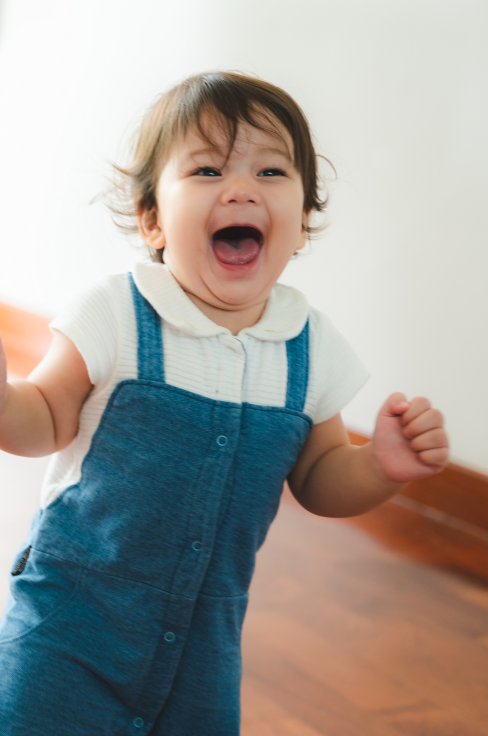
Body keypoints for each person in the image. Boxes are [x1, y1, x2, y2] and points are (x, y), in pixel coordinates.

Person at [0, 71, 449, 735]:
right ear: (153, 218)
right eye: (207, 170)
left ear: (301, 223)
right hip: (68, 631)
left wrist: (380, 466)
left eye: (271, 172)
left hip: (205, 649)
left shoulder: (309, 347)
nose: (241, 189)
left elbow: (321, 478)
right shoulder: (117, 313)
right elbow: (42, 418)